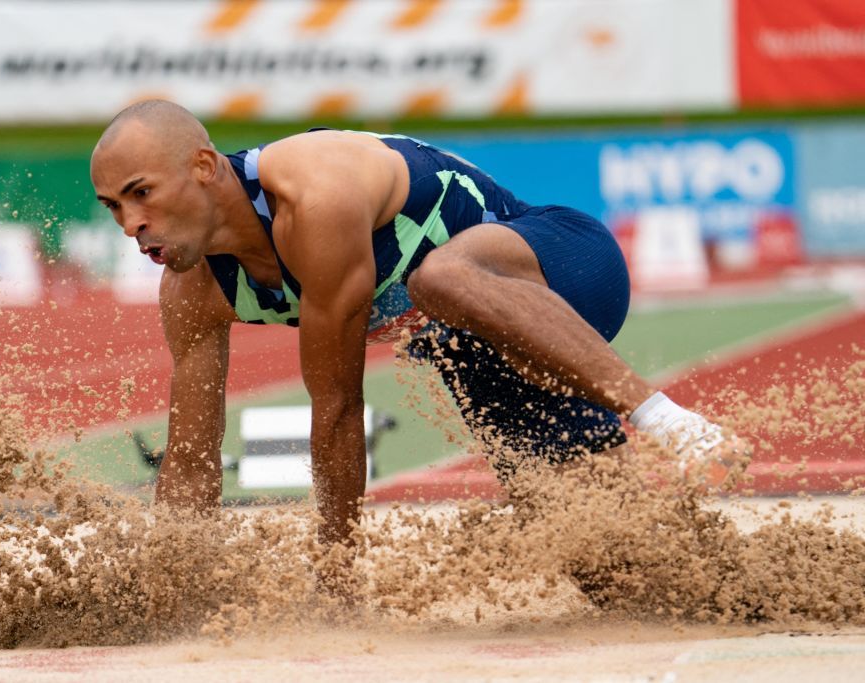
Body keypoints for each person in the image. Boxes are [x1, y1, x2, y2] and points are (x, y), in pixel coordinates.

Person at [90, 100, 748, 550]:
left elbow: (340, 409)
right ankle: (759, 577)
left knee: (437, 277)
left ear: (204, 168)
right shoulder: (191, 288)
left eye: (141, 192)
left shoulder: (311, 198)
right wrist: (172, 579)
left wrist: (337, 577)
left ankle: (665, 417)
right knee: (609, 559)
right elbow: (190, 459)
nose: (130, 223)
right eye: (114, 206)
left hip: (563, 270)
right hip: (478, 352)